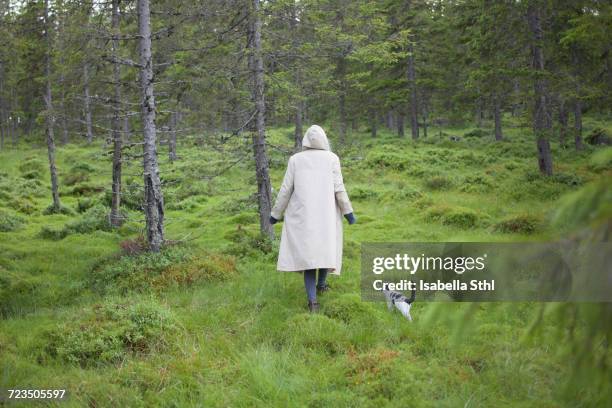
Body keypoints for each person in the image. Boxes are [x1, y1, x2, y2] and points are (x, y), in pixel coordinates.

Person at [270, 125, 356, 313]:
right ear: (324, 140)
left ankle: (313, 301)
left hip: (303, 216)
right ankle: (321, 285)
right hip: (326, 215)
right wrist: (348, 212)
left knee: (309, 258)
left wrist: (275, 214)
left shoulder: (295, 160)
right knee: (324, 250)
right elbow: (339, 188)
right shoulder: (332, 159)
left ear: (306, 141)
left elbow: (285, 189)